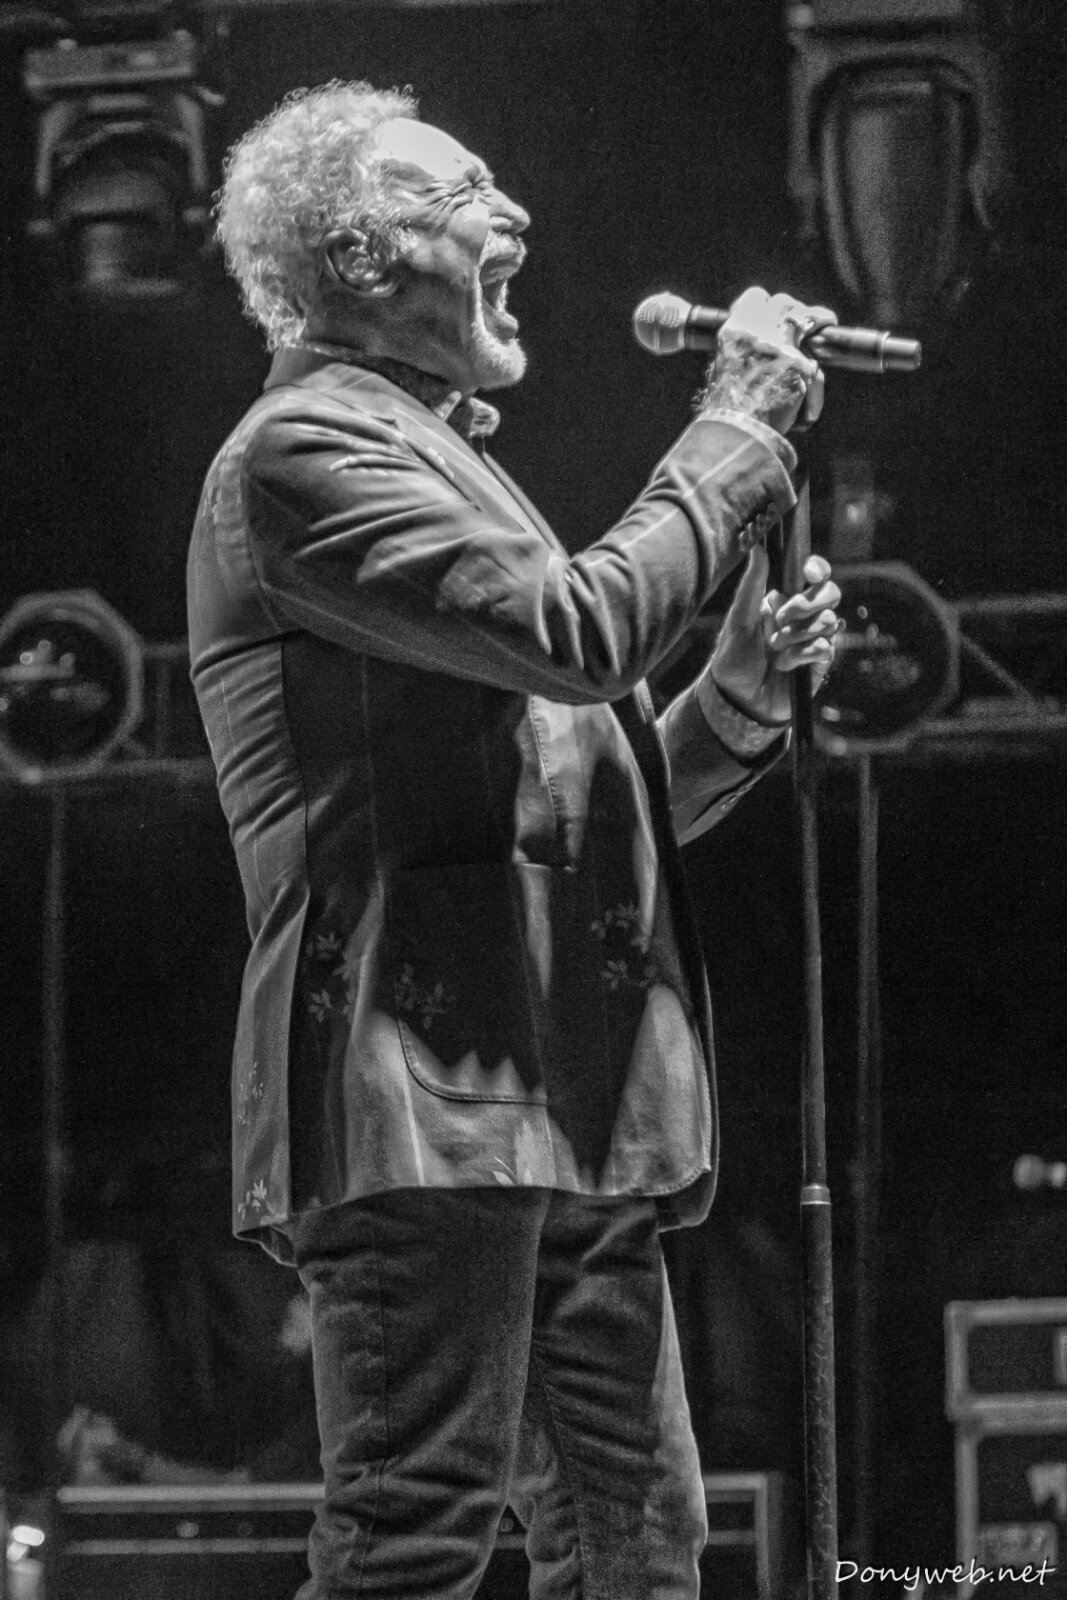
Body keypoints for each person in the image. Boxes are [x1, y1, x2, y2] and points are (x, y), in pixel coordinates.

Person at [187, 80, 841, 1600]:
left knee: (637, 1543)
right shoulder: (300, 457)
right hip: (421, 1097)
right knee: (416, 1531)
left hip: (569, 1093)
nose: (518, 214)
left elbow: (583, 817)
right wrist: (735, 428)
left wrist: (741, 694)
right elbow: (579, 631)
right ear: (358, 255)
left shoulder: (446, 463)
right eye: (469, 191)